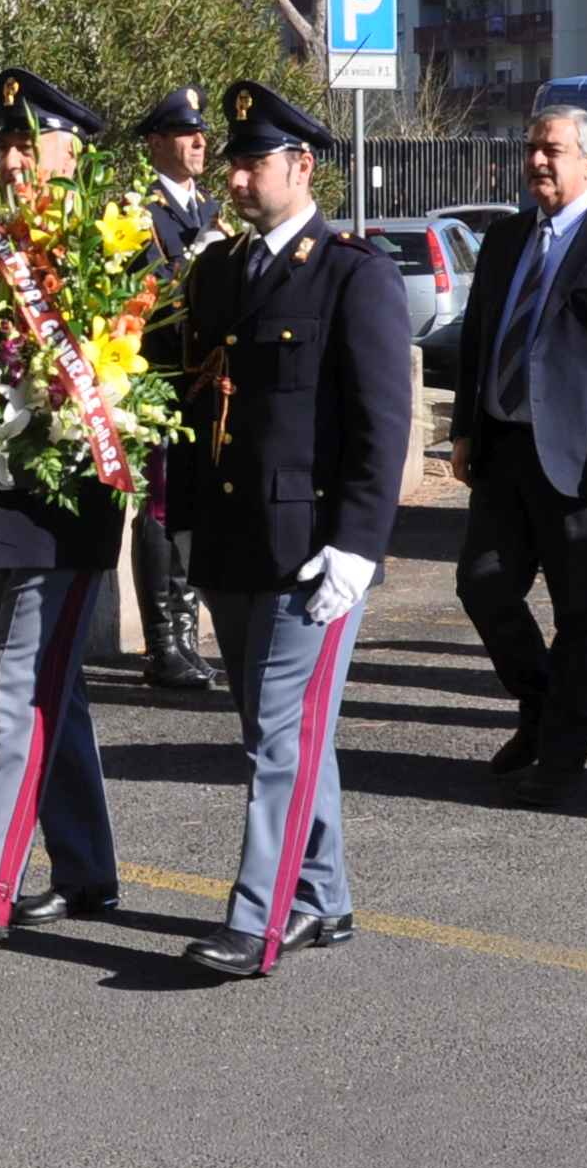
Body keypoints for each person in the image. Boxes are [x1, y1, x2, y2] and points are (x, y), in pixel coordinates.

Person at [165, 82, 410, 975]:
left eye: (251, 161)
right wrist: (184, 524)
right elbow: (191, 404)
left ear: (301, 167)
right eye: (229, 161)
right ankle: (324, 895)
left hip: (313, 547)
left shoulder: (352, 270)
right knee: (277, 731)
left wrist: (358, 544)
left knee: (278, 732)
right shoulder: (217, 270)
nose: (233, 176)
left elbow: (382, 423)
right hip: (234, 539)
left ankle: (259, 917)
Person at [0, 66, 125, 944]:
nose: (9, 160)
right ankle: (86, 872)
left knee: (19, 694)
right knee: (50, 690)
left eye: (23, 144)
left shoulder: (108, 248)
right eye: (0, 145)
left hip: (66, 508)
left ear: (66, 151)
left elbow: (131, 381)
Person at [452, 104, 587, 808]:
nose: (537, 161)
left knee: (582, 611)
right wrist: (464, 428)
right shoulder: (506, 239)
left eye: (551, 149)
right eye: (530, 149)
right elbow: (479, 340)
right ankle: (543, 707)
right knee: (481, 583)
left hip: (584, 461)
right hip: (504, 446)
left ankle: (562, 756)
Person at [121, 83, 224, 693]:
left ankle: (186, 633)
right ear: (157, 143)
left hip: (207, 382)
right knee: (160, 510)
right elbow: (143, 292)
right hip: (160, 378)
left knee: (193, 507)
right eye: (185, 133)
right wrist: (195, 268)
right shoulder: (140, 211)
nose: (198, 141)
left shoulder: (209, 208)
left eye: (201, 132)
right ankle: (163, 643)